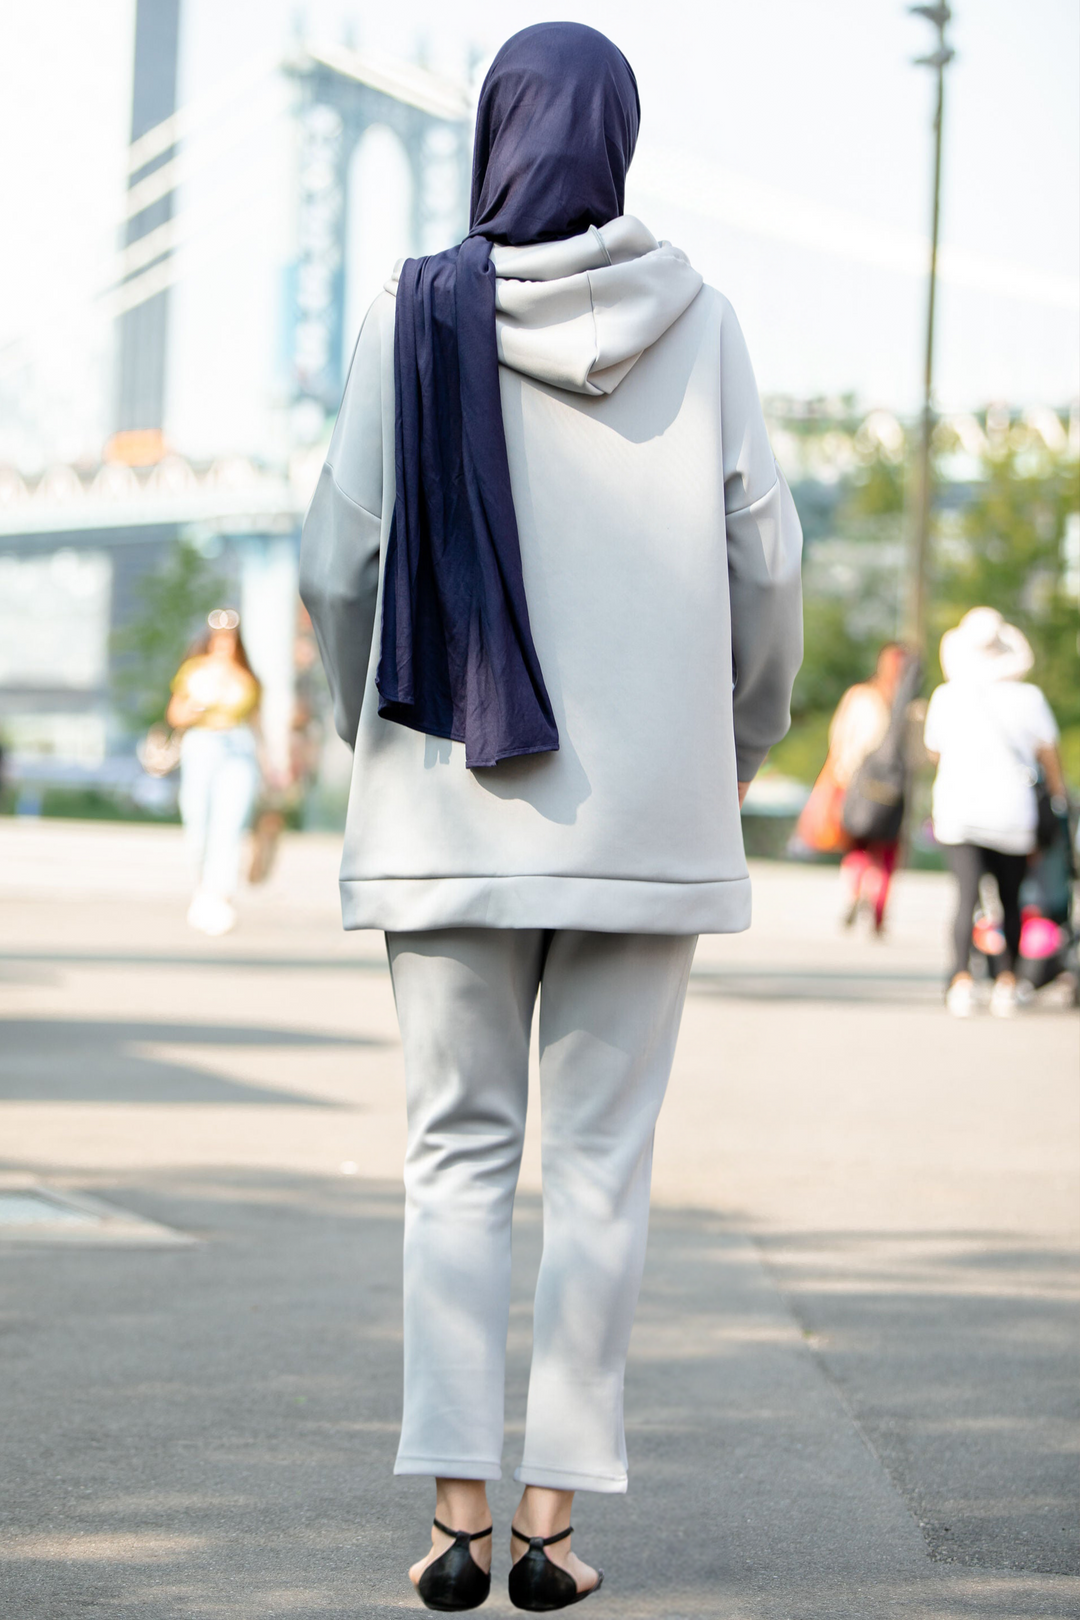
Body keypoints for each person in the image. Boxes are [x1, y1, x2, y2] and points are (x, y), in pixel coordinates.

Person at [300, 23, 802, 1612]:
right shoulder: (702, 317)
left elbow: (335, 554)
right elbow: (767, 554)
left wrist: (350, 724)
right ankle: (553, 1530)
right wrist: (736, 737)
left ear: (491, 132)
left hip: (450, 805)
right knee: (601, 1167)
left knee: (455, 1154)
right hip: (642, 816)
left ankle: (454, 1515)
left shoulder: (411, 311)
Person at [924, 606, 1066, 1018]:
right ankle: (1007, 981)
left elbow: (935, 750)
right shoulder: (1029, 698)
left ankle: (960, 980)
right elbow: (1049, 759)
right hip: (1012, 813)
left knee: (966, 897)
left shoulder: (947, 697)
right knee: (1009, 898)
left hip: (959, 809)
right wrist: (1057, 804)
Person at [167, 609, 261, 936]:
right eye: (219, 638)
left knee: (231, 822)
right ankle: (202, 886)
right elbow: (175, 714)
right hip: (203, 743)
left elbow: (257, 721)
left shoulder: (245, 676)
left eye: (229, 639)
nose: (224, 644)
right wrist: (194, 708)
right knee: (198, 818)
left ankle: (220, 894)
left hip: (238, 746)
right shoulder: (194, 671)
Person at [828, 643, 911, 933]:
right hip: (874, 783)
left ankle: (870, 903)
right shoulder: (873, 699)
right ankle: (867, 904)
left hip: (868, 784)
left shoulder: (902, 704)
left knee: (869, 846)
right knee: (870, 847)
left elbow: (840, 736)